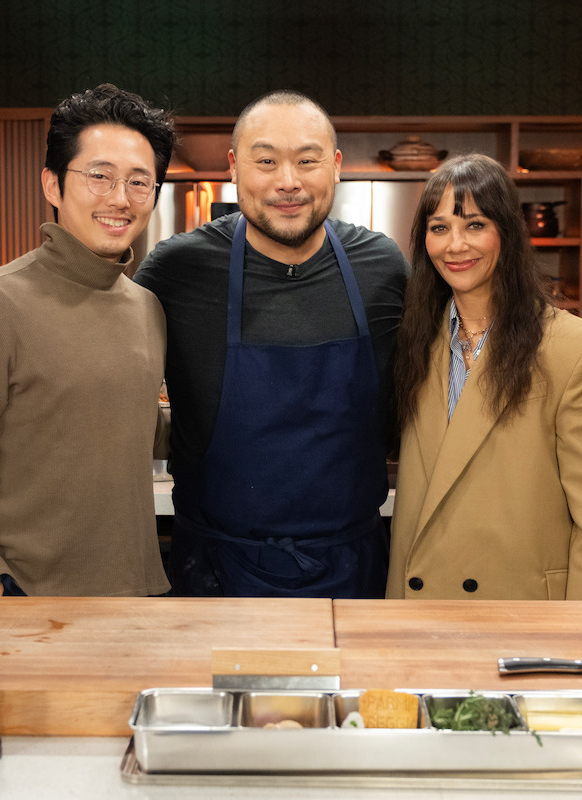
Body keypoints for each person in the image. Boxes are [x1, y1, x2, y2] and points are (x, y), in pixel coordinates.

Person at [134, 90, 409, 598]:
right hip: (213, 572)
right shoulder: (177, 270)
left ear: (336, 166)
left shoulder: (384, 268)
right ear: (235, 167)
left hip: (356, 571)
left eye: (308, 160)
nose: (289, 182)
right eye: (266, 161)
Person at [0, 83, 176, 598]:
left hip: (138, 595)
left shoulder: (146, 308)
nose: (120, 198)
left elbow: (134, 427)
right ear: (52, 185)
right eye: (99, 176)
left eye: (140, 182)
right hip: (26, 598)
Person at [387, 153, 582, 600]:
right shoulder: (415, 341)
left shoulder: (577, 349)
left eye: (475, 225)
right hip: (419, 606)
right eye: (439, 228)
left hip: (521, 610)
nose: (455, 245)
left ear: (508, 233)